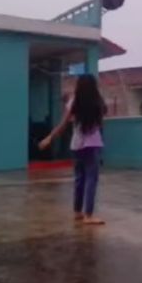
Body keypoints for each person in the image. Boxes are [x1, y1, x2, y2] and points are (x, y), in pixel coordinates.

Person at [38, 73, 106, 225]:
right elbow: (102, 121)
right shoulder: (97, 101)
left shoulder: (74, 101)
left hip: (76, 145)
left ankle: (77, 212)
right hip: (92, 144)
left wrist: (49, 138)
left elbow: (62, 124)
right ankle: (88, 215)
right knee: (91, 179)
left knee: (79, 179)